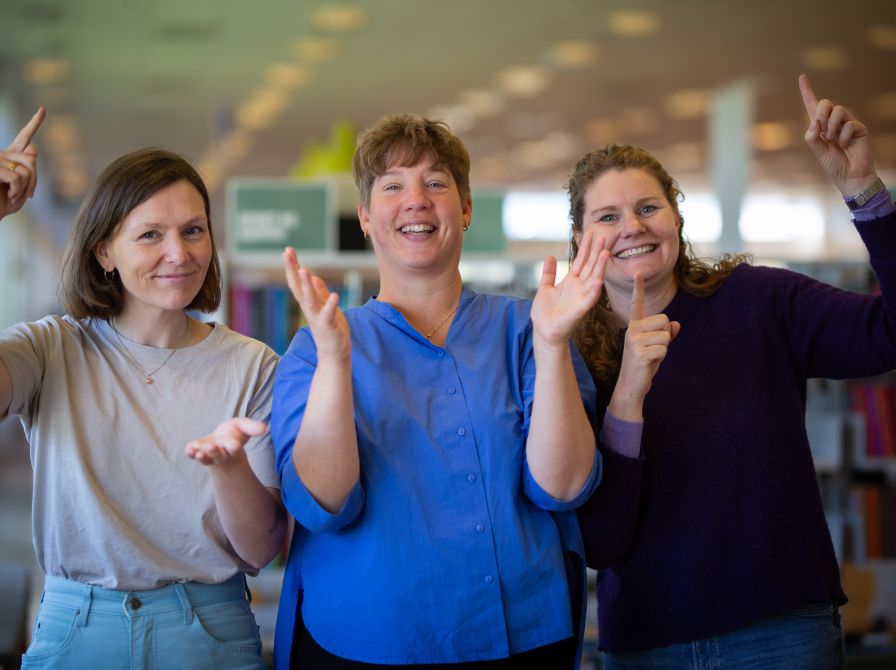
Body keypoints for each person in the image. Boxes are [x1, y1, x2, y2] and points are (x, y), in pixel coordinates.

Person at [270, 113, 624, 668]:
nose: (416, 200)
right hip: (368, 641)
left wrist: (554, 343)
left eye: (435, 183)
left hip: (521, 636)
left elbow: (563, 488)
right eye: (392, 187)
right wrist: (337, 362)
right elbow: (325, 506)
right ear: (365, 218)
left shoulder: (527, 329)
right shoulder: (317, 346)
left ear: (465, 209)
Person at [569, 74, 896, 669]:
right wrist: (628, 398)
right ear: (580, 240)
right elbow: (601, 541)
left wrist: (864, 193)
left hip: (783, 632)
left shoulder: (758, 301)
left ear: (676, 218)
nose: (632, 227)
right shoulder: (566, 357)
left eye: (648, 207)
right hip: (649, 646)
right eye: (607, 217)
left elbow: (887, 335)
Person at [0, 110, 287, 669]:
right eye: (151, 234)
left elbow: (260, 549)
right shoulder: (50, 348)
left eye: (193, 230)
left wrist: (230, 469)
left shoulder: (253, 365)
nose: (179, 253)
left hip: (209, 630)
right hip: (77, 627)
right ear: (104, 252)